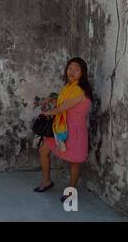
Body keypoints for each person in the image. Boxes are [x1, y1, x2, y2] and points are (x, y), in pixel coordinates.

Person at [33, 57, 93, 202]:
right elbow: (63, 103)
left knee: (74, 161)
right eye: (70, 69)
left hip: (74, 132)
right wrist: (52, 100)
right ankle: (47, 181)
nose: (72, 72)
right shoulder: (69, 87)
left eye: (76, 69)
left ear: (82, 72)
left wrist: (49, 113)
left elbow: (63, 108)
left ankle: (71, 191)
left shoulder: (79, 90)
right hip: (61, 128)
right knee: (43, 150)